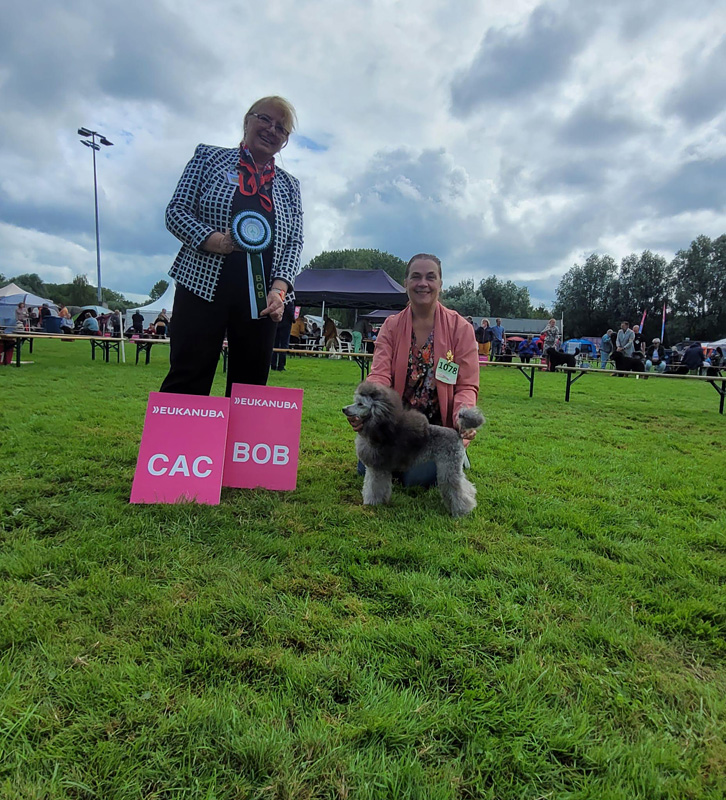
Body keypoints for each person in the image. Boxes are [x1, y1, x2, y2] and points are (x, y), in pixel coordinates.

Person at [159, 95, 303, 397]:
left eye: (281, 128)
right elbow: (176, 212)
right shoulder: (208, 158)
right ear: (247, 121)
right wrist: (217, 242)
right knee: (188, 377)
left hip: (262, 300)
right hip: (201, 287)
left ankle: (237, 445)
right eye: (264, 119)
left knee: (250, 388)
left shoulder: (290, 185)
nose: (271, 129)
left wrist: (278, 290)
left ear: (285, 140)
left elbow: (293, 242)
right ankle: (181, 443)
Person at [346, 253, 479, 487]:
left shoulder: (461, 329)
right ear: (405, 283)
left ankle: (457, 454)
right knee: (367, 464)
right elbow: (379, 374)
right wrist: (367, 408)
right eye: (415, 277)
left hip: (437, 433)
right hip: (396, 428)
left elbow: (466, 385)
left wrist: (462, 417)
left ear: (440, 283)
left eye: (431, 277)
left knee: (415, 479)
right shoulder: (391, 326)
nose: (423, 283)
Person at [271, 300, 294, 371]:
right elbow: (290, 311)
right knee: (284, 345)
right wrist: (293, 319)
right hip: (286, 325)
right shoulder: (290, 299)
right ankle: (281, 365)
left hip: (276, 323)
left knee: (275, 345)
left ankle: (273, 364)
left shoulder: (278, 298)